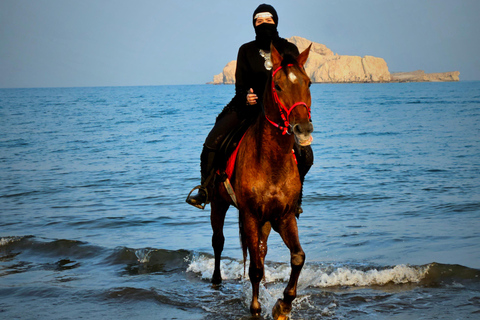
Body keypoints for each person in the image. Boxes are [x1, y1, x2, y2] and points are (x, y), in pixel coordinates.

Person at [186, 4, 313, 214]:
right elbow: (240, 85)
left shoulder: (289, 49)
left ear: (276, 22)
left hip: (280, 113)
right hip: (249, 108)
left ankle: (296, 196)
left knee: (306, 155)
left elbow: (296, 83)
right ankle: (206, 190)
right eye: (259, 21)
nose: (264, 24)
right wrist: (246, 96)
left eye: (268, 20)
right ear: (254, 24)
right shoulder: (246, 50)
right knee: (211, 143)